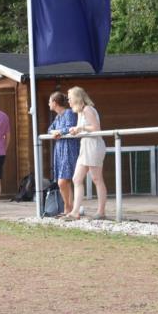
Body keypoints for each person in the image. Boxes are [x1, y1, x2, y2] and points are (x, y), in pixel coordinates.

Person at [63, 86, 107, 221]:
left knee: (97, 179)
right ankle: (75, 212)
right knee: (77, 179)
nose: (69, 102)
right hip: (85, 146)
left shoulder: (88, 109)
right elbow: (83, 130)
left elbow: (96, 128)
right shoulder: (80, 112)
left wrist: (80, 128)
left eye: (70, 99)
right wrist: (75, 131)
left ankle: (101, 211)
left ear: (77, 98)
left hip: (94, 146)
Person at [47, 91, 80, 217]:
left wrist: (59, 132)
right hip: (60, 150)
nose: (49, 104)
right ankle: (70, 209)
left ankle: (67, 207)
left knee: (62, 181)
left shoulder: (68, 113)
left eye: (50, 101)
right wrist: (55, 132)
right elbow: (50, 129)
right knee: (65, 182)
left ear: (55, 103)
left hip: (69, 148)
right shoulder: (58, 117)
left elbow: (70, 127)